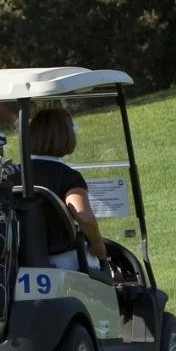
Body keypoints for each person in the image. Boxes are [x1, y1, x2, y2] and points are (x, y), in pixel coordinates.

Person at [20, 106, 107, 266]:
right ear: (66, 136)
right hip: (62, 260)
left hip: (21, 260)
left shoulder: (13, 173)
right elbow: (84, 217)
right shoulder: (67, 176)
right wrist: (97, 245)